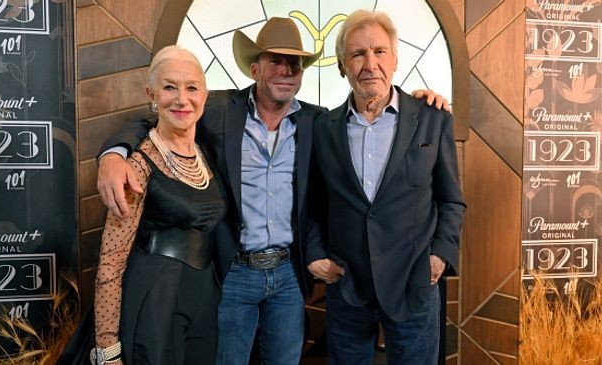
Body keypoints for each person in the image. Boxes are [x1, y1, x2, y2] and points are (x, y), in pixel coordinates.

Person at [96, 17, 449, 365]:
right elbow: (159, 114)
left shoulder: (318, 122)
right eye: (276, 61)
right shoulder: (217, 109)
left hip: (287, 277)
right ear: (254, 69)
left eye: (294, 64)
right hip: (233, 272)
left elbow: (324, 199)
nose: (286, 70)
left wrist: (424, 98)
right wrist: (115, 153)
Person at [306, 9, 466, 365]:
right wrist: (315, 253)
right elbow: (315, 204)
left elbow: (451, 200)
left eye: (379, 51)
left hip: (415, 285)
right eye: (358, 54)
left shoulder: (432, 117)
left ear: (394, 59)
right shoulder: (324, 128)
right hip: (347, 288)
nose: (370, 63)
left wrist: (439, 256)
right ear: (343, 65)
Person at [91, 45, 225, 365]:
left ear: (205, 95)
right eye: (169, 87)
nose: (182, 98)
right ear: (151, 93)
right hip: (156, 297)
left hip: (206, 295)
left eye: (192, 87)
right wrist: (107, 348)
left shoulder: (208, 151)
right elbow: (111, 260)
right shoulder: (135, 165)